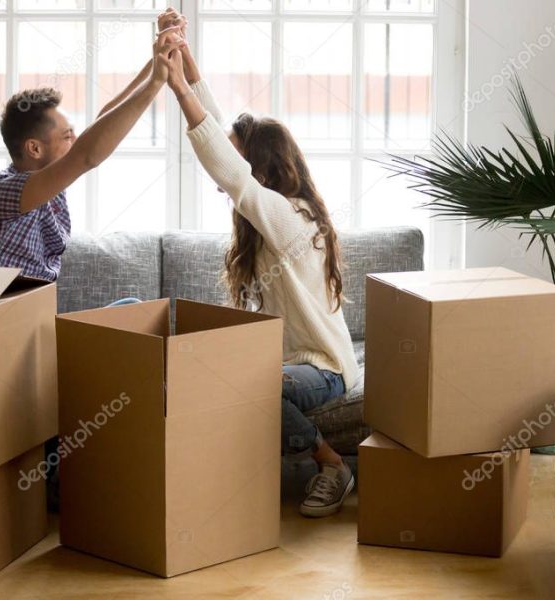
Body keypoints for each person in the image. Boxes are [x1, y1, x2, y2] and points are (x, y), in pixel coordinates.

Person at [158, 9, 360, 518]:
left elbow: (231, 174)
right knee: (213, 376)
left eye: (241, 157)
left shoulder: (290, 218)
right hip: (288, 362)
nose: (229, 165)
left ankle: (332, 465)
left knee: (247, 387)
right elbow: (228, 146)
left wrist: (179, 90)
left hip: (324, 368)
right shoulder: (272, 212)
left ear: (261, 167)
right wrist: (183, 53)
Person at [0, 26, 186, 282]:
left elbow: (102, 125)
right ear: (34, 148)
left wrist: (159, 60)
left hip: (31, 314)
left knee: (132, 308)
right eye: (67, 136)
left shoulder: (47, 182)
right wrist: (156, 82)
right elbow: (87, 155)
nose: (75, 141)